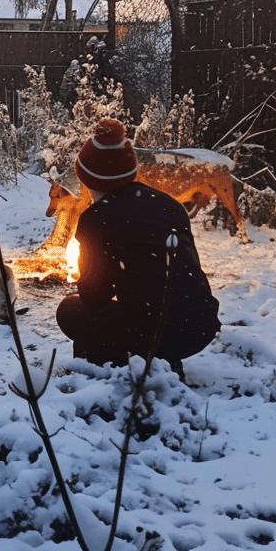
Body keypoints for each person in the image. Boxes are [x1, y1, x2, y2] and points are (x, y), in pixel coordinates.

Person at [56, 118, 220, 376]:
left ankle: (106, 365)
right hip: (199, 325)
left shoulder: (97, 219)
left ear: (90, 180)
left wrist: (87, 272)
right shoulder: (170, 205)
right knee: (145, 310)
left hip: (154, 330)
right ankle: (165, 357)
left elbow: (93, 297)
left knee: (70, 310)